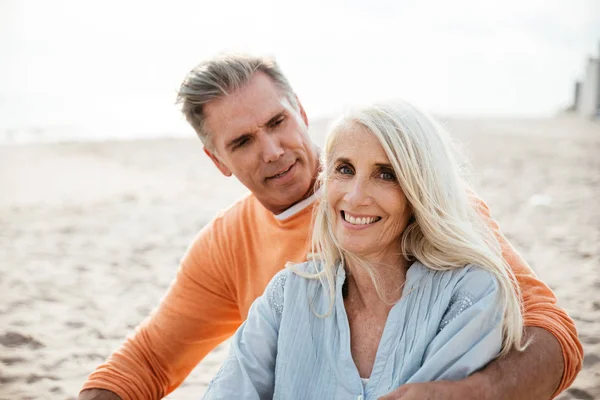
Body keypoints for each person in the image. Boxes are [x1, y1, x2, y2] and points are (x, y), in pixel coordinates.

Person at [79, 54, 582, 400]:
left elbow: (554, 335)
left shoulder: (425, 204)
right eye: (243, 142)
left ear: (300, 111)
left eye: (277, 123)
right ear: (218, 161)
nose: (272, 151)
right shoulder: (228, 246)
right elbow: (146, 362)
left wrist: (474, 393)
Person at [202, 100, 528, 399]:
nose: (356, 196)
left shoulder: (468, 294)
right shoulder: (285, 297)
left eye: (385, 174)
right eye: (344, 169)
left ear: (419, 190)